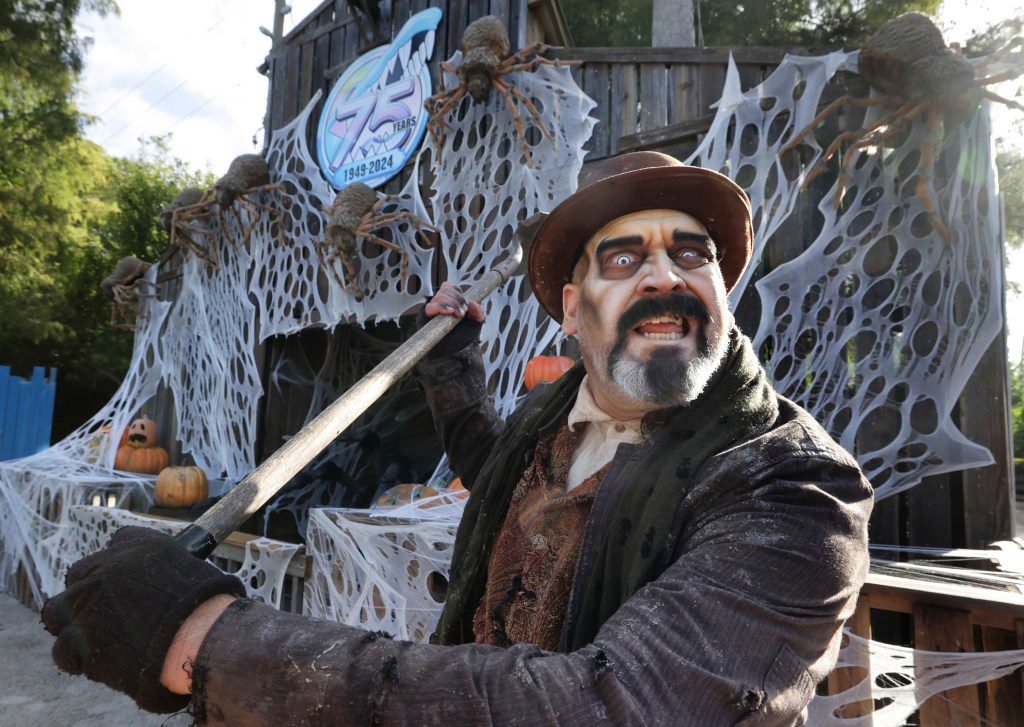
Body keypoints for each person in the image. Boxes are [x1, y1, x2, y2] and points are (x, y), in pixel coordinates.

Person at [42, 152, 873, 725]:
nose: (665, 274)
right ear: (573, 313)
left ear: (721, 294)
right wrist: (453, 367)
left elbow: (612, 707)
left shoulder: (793, 491)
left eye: (692, 255)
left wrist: (211, 638)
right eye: (623, 259)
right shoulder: (560, 418)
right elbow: (495, 468)